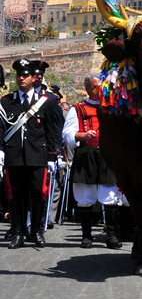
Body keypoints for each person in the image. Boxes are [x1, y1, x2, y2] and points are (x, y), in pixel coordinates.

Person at [0, 58, 56, 248]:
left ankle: (36, 231)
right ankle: (18, 232)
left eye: (25, 75)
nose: (21, 79)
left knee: (38, 193)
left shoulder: (45, 103)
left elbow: (51, 131)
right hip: (14, 156)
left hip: (37, 156)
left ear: (34, 78)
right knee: (15, 195)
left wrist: (52, 157)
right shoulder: (7, 102)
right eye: (19, 75)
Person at [62, 74, 122, 249]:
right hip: (86, 154)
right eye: (95, 86)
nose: (99, 89)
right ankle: (86, 236)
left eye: (101, 85)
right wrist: (83, 135)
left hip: (107, 155)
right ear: (87, 88)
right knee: (85, 196)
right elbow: (67, 134)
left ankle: (111, 236)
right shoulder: (78, 109)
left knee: (110, 195)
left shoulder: (112, 108)